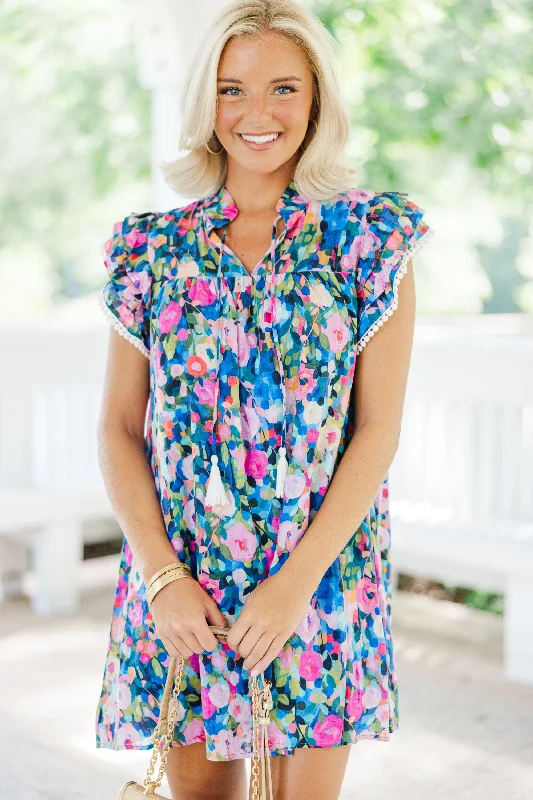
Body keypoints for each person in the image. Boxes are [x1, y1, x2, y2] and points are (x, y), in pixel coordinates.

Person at [94, 1, 433, 798]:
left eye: (283, 88)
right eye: (231, 89)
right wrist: (160, 576)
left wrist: (292, 588)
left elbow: (377, 431)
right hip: (186, 583)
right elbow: (115, 429)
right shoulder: (150, 247)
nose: (257, 113)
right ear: (204, 103)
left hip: (316, 581)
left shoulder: (369, 238)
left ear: (316, 99)